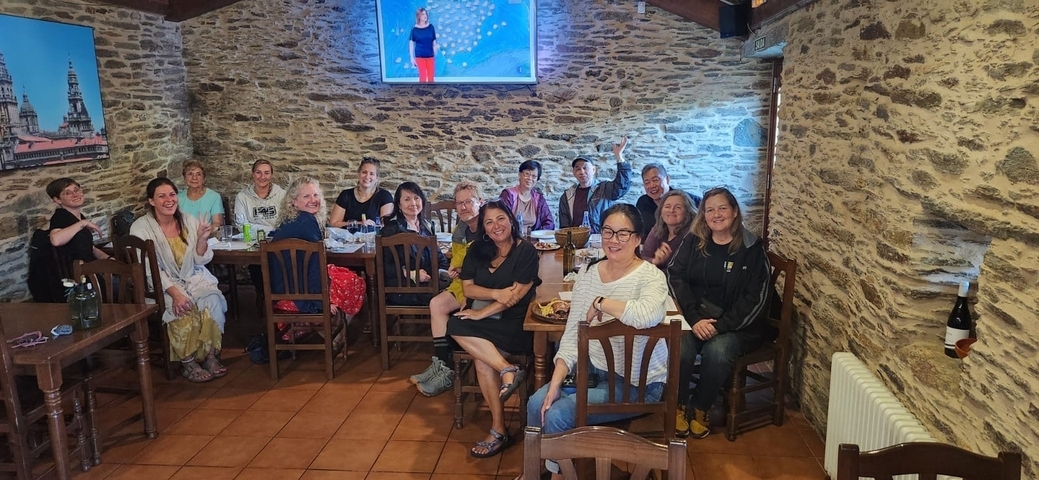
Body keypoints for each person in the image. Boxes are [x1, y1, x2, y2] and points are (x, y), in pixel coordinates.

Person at [528, 204, 669, 478]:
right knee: (537, 403)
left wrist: (601, 302)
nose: (613, 240)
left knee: (558, 416)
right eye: (608, 231)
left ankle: (559, 474)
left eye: (623, 233)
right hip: (595, 370)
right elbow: (571, 334)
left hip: (639, 383)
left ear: (638, 238)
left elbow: (646, 314)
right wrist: (556, 383)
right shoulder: (589, 274)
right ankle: (539, 469)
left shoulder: (651, 277)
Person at [667, 187, 771, 439]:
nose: (716, 214)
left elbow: (755, 299)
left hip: (738, 325)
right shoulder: (693, 241)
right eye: (710, 209)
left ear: (735, 212)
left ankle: (701, 407)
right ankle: (678, 405)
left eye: (722, 208)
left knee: (718, 350)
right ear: (703, 215)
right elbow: (675, 275)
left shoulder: (752, 249)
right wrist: (693, 318)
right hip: (697, 317)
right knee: (681, 345)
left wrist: (719, 326)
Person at [448, 200, 540, 458]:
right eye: (489, 222)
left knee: (480, 362)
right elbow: (468, 288)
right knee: (454, 322)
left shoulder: (526, 252)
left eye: (500, 219)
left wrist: (480, 313)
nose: (495, 225)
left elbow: (515, 297)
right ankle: (507, 370)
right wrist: (495, 293)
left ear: (511, 220)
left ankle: (498, 431)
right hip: (486, 322)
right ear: (484, 229)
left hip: (514, 323)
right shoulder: (477, 249)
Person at [130, 177, 228, 383]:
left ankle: (211, 356)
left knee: (212, 302)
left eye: (172, 195)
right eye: (161, 196)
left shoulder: (188, 220)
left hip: (193, 276)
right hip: (161, 284)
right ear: (151, 201)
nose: (168, 200)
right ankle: (188, 362)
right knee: (183, 309)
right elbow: (151, 269)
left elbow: (200, 259)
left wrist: (202, 239)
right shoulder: (141, 228)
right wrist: (175, 294)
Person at [410, 181, 486, 396]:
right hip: (463, 285)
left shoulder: (488, 228)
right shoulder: (460, 230)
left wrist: (463, 273)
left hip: (483, 288)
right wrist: (457, 271)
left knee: (461, 313)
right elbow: (461, 264)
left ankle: (451, 370)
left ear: (480, 202)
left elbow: (490, 267)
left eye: (468, 202)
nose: (463, 207)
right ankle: (442, 365)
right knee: (436, 304)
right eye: (459, 203)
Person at [270, 177, 363, 344]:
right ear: (294, 202)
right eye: (306, 196)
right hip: (299, 292)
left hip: (281, 289)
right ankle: (332, 333)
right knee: (354, 281)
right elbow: (314, 267)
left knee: (340, 274)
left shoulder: (291, 220)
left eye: (315, 195)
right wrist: (321, 299)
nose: (313, 200)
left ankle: (327, 329)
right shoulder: (306, 222)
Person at [380, 182, 449, 306]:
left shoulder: (427, 226)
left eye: (416, 198)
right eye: (407, 199)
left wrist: (445, 272)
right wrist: (411, 274)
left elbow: (439, 258)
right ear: (399, 205)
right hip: (403, 289)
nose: (413, 203)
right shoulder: (390, 229)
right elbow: (384, 266)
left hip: (429, 283)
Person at [557, 136, 632, 233]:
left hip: (602, 240)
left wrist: (619, 156)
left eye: (585, 167)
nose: (582, 171)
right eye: (578, 168)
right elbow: (564, 227)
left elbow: (622, 186)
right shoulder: (567, 196)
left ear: (593, 169)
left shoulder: (605, 189)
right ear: (574, 173)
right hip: (576, 242)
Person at [46, 178, 111, 264]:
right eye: (68, 193)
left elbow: (90, 248)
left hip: (92, 269)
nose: (75, 195)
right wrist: (83, 223)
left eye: (76, 190)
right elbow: (56, 240)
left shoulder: (79, 217)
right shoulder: (61, 216)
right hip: (79, 274)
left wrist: (106, 258)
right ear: (58, 200)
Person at [635, 163, 701, 238]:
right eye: (647, 183)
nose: (652, 185)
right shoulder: (642, 202)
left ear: (667, 179)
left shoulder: (689, 200)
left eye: (655, 180)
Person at [329, 158, 393, 228]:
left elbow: (386, 226)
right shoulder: (346, 195)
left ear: (377, 178)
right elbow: (334, 223)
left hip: (374, 237)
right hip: (348, 237)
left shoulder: (385, 196)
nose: (367, 176)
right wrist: (358, 223)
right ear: (358, 174)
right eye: (364, 172)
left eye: (372, 174)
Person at [642, 189, 696, 269]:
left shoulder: (691, 235)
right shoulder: (657, 229)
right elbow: (643, 258)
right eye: (667, 206)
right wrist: (654, 261)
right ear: (661, 211)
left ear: (688, 213)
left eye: (678, 207)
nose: (671, 210)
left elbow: (683, 271)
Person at [499, 160, 555, 232]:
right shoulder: (508, 195)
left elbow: (549, 223)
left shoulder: (539, 198)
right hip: (512, 238)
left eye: (534, 176)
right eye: (527, 174)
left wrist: (538, 235)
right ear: (519, 175)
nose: (530, 178)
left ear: (537, 179)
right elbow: (501, 219)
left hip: (533, 239)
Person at [234, 159, 285, 235]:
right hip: (251, 240)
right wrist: (271, 230)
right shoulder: (242, 197)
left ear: (271, 175)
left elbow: (287, 222)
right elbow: (241, 225)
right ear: (253, 174)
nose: (262, 177)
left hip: (277, 239)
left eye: (266, 173)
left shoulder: (282, 195)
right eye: (258, 172)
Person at [177, 160, 225, 233]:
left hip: (205, 237)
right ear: (184, 177)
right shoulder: (177, 198)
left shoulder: (214, 197)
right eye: (190, 174)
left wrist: (204, 232)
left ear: (204, 178)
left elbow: (217, 223)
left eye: (198, 174)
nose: (194, 178)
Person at [409, 8, 437, 83]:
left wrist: (435, 49)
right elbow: (411, 44)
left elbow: (434, 40)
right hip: (420, 56)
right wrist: (412, 58)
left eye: (426, 14)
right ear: (419, 16)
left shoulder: (431, 27)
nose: (425, 16)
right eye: (423, 14)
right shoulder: (414, 29)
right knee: (423, 76)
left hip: (430, 55)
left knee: (431, 77)